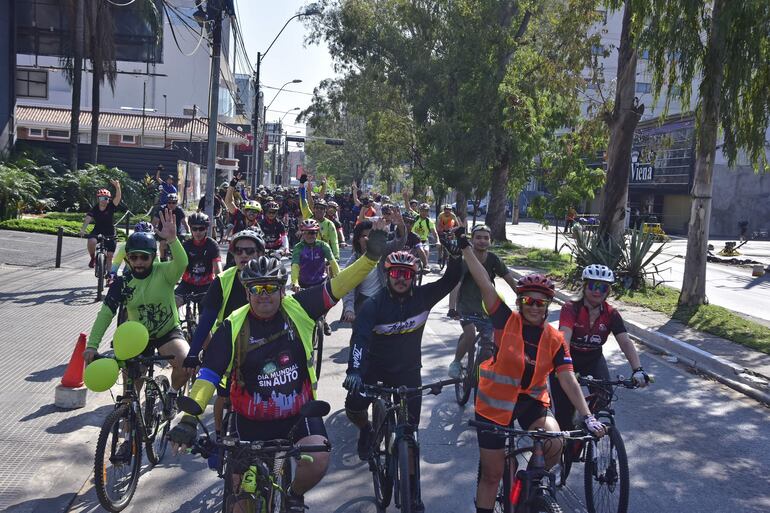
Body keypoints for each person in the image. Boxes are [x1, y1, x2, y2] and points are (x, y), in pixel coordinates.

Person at [169, 227, 390, 513]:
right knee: (240, 505)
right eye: (257, 289)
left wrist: (370, 258)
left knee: (319, 459)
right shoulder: (233, 325)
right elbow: (210, 373)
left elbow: (340, 285)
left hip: (299, 415)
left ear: (282, 289)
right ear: (247, 291)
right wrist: (189, 418)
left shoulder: (299, 307)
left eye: (271, 287)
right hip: (248, 419)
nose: (264, 295)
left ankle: (294, 494)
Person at [458, 235, 605, 513]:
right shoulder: (504, 319)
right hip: (493, 405)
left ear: (548, 305)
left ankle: (527, 483)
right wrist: (465, 248)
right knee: (492, 475)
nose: (534, 307)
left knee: (555, 442)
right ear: (521, 301)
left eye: (541, 303)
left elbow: (567, 378)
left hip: (531, 402)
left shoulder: (554, 338)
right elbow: (484, 283)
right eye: (529, 301)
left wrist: (587, 416)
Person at [84, 210, 190, 418]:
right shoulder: (122, 283)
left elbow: (182, 263)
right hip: (136, 338)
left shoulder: (164, 272)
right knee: (130, 393)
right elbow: (105, 314)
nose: (139, 262)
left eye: (144, 257)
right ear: (128, 258)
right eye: (134, 257)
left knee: (185, 363)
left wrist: (173, 240)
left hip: (167, 333)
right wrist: (92, 345)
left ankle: (172, 394)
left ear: (153, 257)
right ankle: (128, 430)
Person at [185, 229, 266, 436]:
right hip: (227, 346)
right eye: (238, 251)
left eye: (250, 251)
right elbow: (206, 322)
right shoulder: (223, 280)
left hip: (260, 347)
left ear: (260, 254)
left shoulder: (270, 279)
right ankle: (220, 437)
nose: (244, 256)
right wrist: (193, 354)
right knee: (223, 395)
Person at [550, 264, 649, 433]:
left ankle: (586, 421)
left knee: (604, 398)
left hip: (593, 359)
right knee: (564, 414)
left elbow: (625, 341)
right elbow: (564, 337)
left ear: (608, 291)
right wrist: (564, 368)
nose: (597, 291)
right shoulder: (571, 308)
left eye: (602, 287)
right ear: (584, 286)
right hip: (567, 358)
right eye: (593, 286)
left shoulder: (611, 313)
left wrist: (638, 369)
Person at [447, 225, 517, 379]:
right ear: (472, 240)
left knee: (489, 345)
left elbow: (509, 278)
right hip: (465, 307)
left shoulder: (493, 259)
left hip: (487, 308)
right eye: (478, 237)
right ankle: (457, 362)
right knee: (470, 334)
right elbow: (456, 285)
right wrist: (452, 308)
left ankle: (483, 374)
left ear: (490, 241)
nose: (482, 241)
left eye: (486, 238)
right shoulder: (466, 260)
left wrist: (522, 297)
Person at [341, 215, 406, 323]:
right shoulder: (353, 262)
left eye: (371, 235)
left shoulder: (382, 252)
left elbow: (398, 243)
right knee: (360, 336)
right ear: (357, 239)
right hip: (362, 304)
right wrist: (349, 310)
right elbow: (348, 288)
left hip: (383, 301)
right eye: (364, 236)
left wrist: (400, 227)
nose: (367, 239)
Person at [175, 212, 222, 307]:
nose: (198, 232)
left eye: (201, 229)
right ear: (191, 229)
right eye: (194, 229)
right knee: (173, 302)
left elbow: (218, 270)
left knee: (205, 314)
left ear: (206, 229)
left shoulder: (212, 245)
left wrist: (220, 286)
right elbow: (178, 266)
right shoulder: (186, 245)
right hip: (187, 283)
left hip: (206, 284)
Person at [80, 181, 122, 270]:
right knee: (91, 241)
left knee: (110, 257)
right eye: (102, 198)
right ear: (98, 199)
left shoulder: (111, 206)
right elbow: (88, 218)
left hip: (110, 232)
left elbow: (118, 198)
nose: (104, 200)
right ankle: (93, 258)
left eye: (106, 198)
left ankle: (109, 278)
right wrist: (83, 229)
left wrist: (117, 187)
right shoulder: (94, 208)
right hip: (97, 230)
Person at [152, 193, 189, 261]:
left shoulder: (179, 210)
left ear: (176, 203)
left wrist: (188, 232)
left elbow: (185, 223)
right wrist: (152, 230)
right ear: (167, 203)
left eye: (173, 203)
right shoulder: (162, 209)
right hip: (163, 233)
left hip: (176, 233)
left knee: (180, 246)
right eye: (169, 202)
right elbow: (154, 221)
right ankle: (162, 259)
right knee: (162, 244)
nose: (171, 204)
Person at [411, 203, 440, 272]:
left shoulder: (429, 221)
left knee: (426, 250)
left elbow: (434, 233)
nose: (424, 212)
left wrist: (438, 241)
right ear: (419, 211)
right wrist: (406, 198)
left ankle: (425, 265)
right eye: (422, 210)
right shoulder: (415, 217)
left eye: (426, 211)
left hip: (423, 241)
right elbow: (408, 208)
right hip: (413, 240)